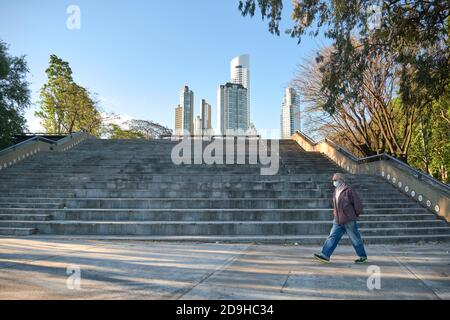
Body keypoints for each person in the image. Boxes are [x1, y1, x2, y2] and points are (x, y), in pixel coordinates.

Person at [314, 173, 368, 264]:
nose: (334, 182)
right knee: (332, 237)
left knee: (355, 238)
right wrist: (335, 214)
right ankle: (325, 256)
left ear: (341, 180)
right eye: (333, 180)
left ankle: (362, 256)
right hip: (337, 220)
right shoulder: (336, 191)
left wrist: (354, 215)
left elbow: (357, 204)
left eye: (335, 180)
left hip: (349, 220)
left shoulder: (348, 190)